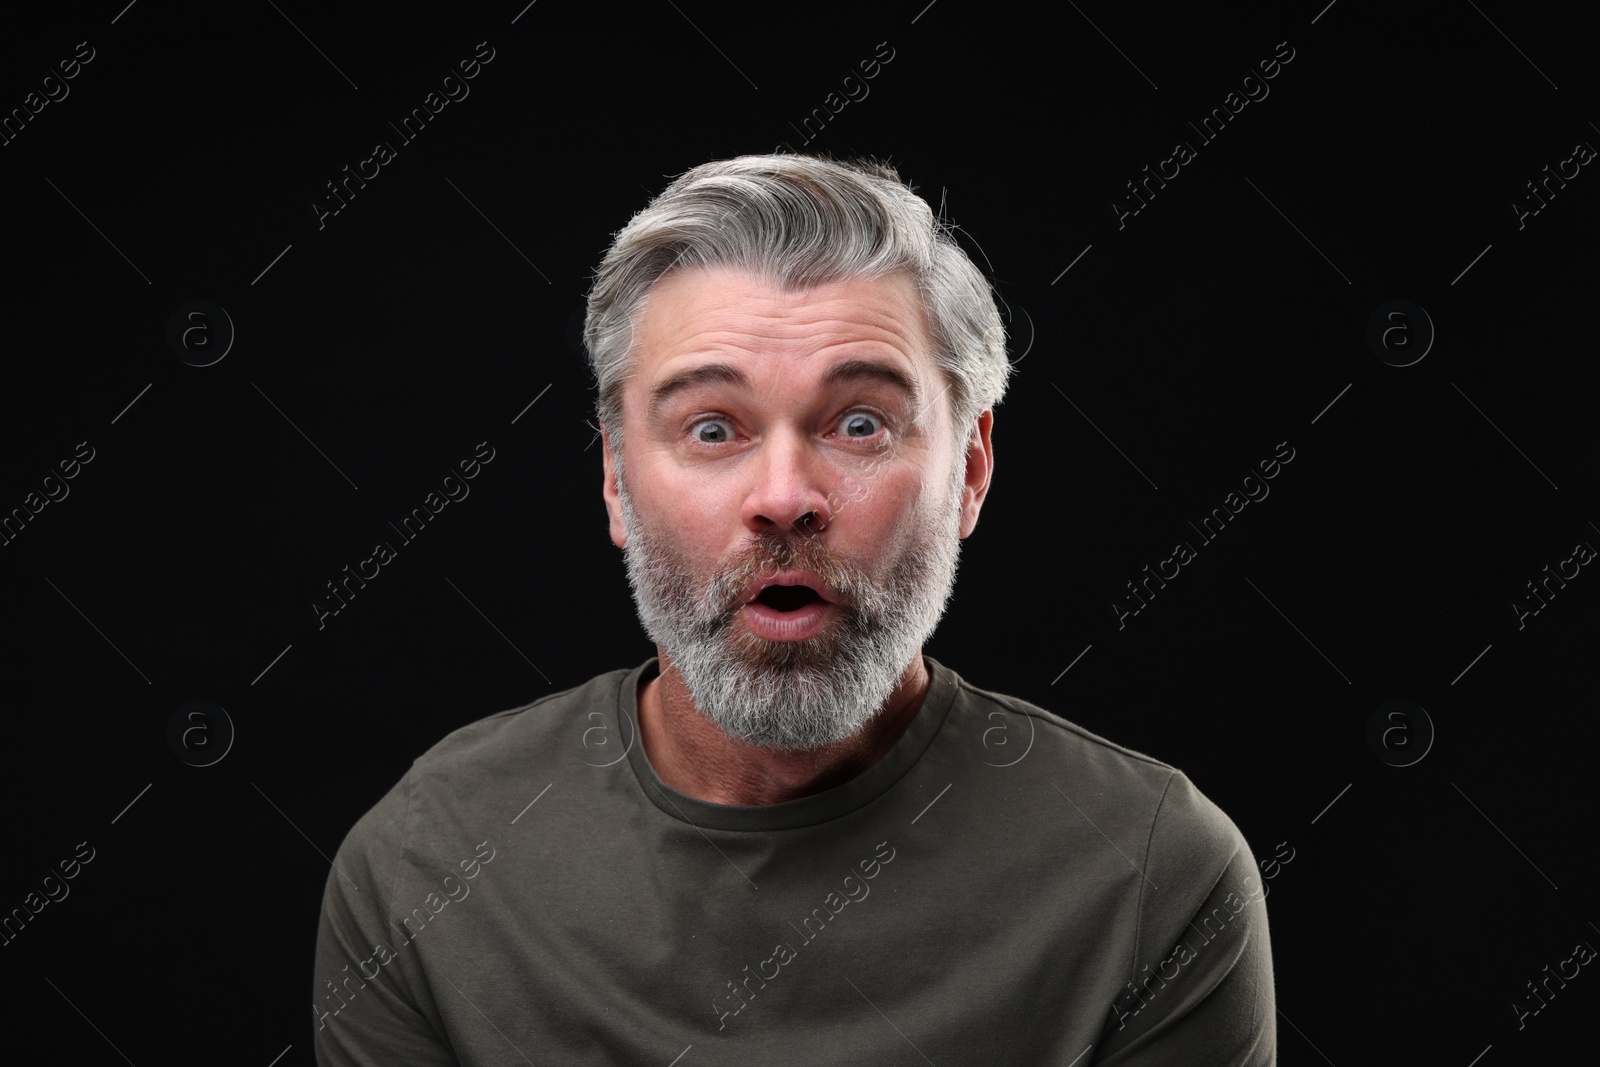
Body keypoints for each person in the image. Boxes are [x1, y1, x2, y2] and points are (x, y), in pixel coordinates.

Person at [311, 152, 1277, 1065]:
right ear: (614, 477)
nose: (784, 495)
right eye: (712, 426)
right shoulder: (426, 864)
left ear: (972, 471)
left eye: (860, 422)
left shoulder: (1156, 877)